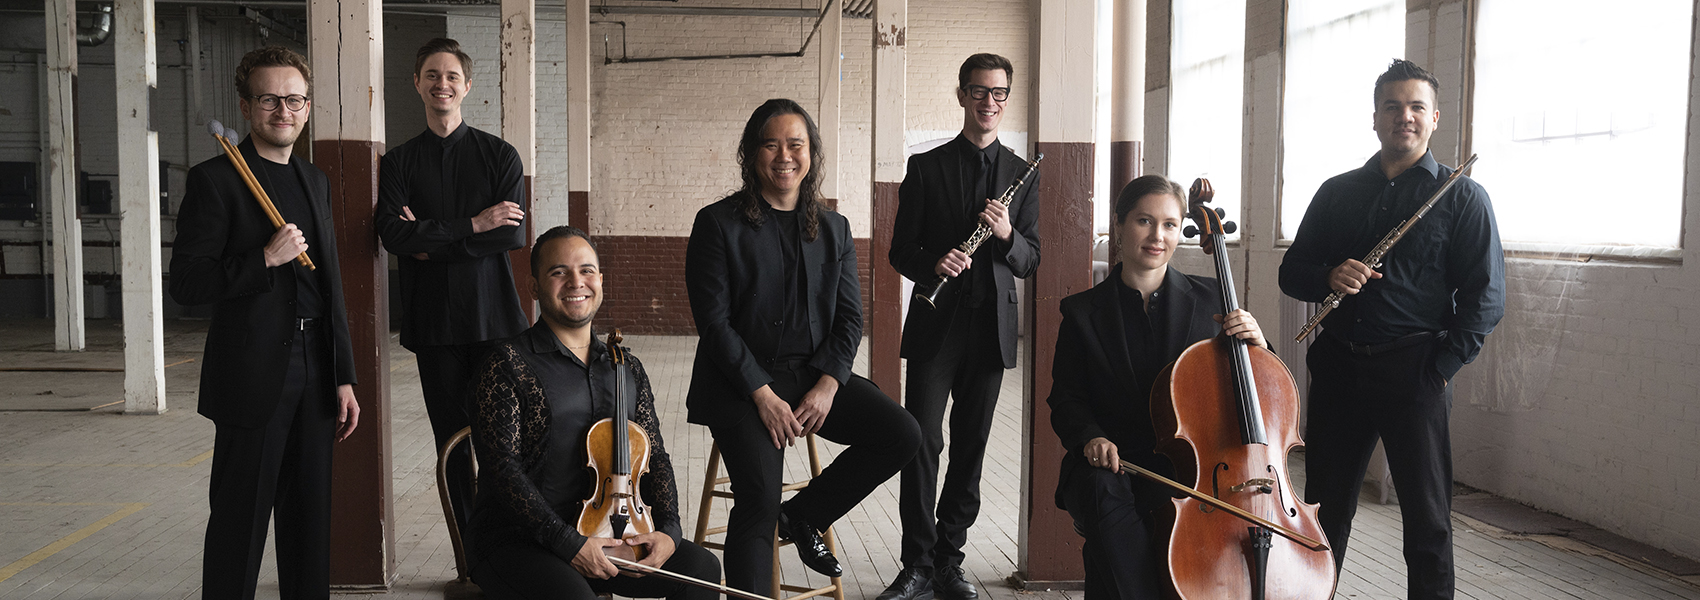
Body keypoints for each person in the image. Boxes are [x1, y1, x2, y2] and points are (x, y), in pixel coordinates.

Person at [1279, 59, 1505, 600]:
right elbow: (1292, 273)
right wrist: (1329, 273)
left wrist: (1441, 368)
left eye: (1416, 107)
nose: (1404, 116)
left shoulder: (1462, 198)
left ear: (1434, 119)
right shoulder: (1336, 192)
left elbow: (1486, 298)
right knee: (1325, 508)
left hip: (1415, 368)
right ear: (1375, 118)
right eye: (1392, 106)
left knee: (1427, 519)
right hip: (1338, 364)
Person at [684, 99, 922, 596]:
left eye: (797, 144)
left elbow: (850, 318)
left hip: (813, 376)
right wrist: (762, 394)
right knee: (758, 498)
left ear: (812, 153)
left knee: (901, 433)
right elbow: (714, 324)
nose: (784, 155)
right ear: (751, 153)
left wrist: (830, 384)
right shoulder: (717, 223)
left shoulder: (832, 227)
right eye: (771, 144)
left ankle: (804, 515)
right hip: (740, 384)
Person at [169, 45, 361, 600]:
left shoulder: (314, 180)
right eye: (269, 99)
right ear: (247, 105)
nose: (284, 110)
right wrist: (264, 260)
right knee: (239, 525)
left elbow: (331, 289)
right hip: (252, 375)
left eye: (295, 99)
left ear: (307, 106)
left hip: (316, 372)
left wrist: (343, 374)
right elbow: (187, 284)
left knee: (309, 526)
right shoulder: (217, 179)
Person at [469, 225, 720, 600]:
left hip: (607, 534)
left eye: (586, 270)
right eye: (559, 272)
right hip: (518, 540)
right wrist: (568, 543)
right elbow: (502, 472)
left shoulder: (626, 367)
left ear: (600, 280)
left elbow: (656, 458)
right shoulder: (506, 364)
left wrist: (669, 532)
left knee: (702, 568)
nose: (576, 282)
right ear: (534, 286)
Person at [1047, 175, 1268, 600]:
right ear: (1120, 226)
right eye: (1144, 221)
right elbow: (1066, 398)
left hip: (1193, 469)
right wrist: (1091, 437)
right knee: (1100, 491)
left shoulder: (1213, 303)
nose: (1157, 235)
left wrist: (1258, 344)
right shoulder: (1082, 313)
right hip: (1114, 463)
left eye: (1169, 224)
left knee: (1111, 553)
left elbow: (1258, 390)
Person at [883, 52, 1040, 600]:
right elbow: (900, 250)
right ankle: (917, 564)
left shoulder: (1022, 173)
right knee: (921, 440)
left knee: (971, 446)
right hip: (937, 323)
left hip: (990, 330)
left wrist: (1005, 235)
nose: (989, 102)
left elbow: (1030, 258)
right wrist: (934, 263)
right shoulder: (925, 168)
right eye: (979, 91)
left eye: (999, 93)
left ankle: (950, 561)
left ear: (1006, 98)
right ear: (962, 96)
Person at [375, 37, 529, 538]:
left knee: (503, 440)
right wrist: (473, 225)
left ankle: (507, 545)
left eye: (452, 76)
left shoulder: (499, 155)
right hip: (434, 324)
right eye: (432, 75)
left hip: (493, 320)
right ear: (416, 83)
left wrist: (433, 239)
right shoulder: (398, 162)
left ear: (467, 86)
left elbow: (513, 233)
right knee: (452, 442)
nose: (442, 84)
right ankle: (469, 555)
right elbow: (394, 236)